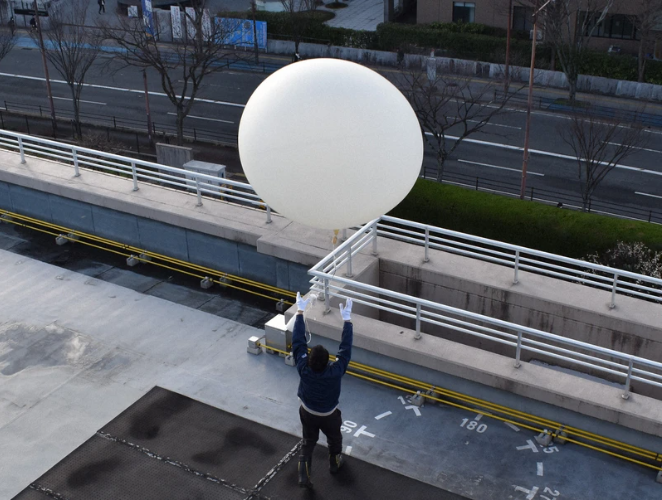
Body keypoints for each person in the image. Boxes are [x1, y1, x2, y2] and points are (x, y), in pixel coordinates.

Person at [292, 292, 353, 489]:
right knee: (335, 439)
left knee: (308, 440)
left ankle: (304, 471)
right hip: (329, 414)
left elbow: (298, 342)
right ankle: (335, 464)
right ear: (328, 361)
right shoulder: (335, 372)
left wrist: (300, 312)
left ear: (309, 360)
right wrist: (347, 322)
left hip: (307, 411)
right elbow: (345, 350)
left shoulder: (303, 367)